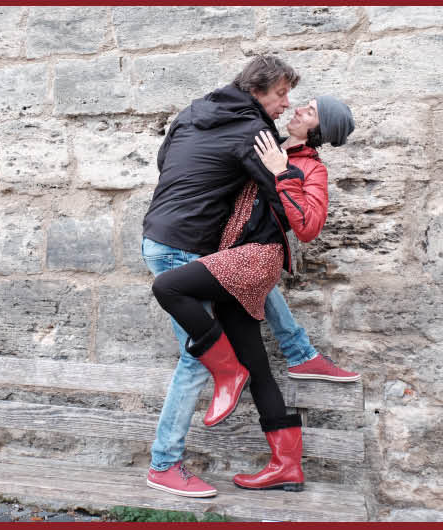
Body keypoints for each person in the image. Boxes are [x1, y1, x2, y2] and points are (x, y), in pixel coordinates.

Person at [152, 96, 354, 493]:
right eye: (302, 105)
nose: (297, 110)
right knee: (259, 368)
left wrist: (283, 173)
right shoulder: (267, 141)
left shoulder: (311, 168)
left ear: (319, 130)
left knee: (169, 286)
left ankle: (228, 370)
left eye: (309, 111)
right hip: (232, 258)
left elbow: (310, 226)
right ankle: (286, 465)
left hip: (257, 258)